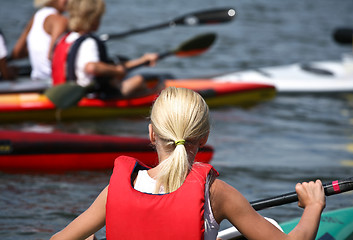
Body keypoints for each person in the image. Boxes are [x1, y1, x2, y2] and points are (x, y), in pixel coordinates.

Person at [50, 87, 326, 240]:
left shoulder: (117, 190)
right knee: (272, 226)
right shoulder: (217, 193)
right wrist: (313, 205)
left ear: (151, 134)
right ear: (204, 137)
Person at [51, 0, 159, 98]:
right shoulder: (89, 42)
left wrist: (141, 61)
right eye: (99, 17)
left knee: (118, 76)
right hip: (90, 94)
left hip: (66, 93)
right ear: (93, 19)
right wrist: (117, 71)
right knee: (139, 80)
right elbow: (92, 67)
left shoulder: (65, 39)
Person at [10, 0, 68, 80]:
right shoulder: (60, 20)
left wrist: (36, 49)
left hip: (36, 79)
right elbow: (52, 55)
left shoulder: (36, 16)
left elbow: (17, 53)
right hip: (51, 80)